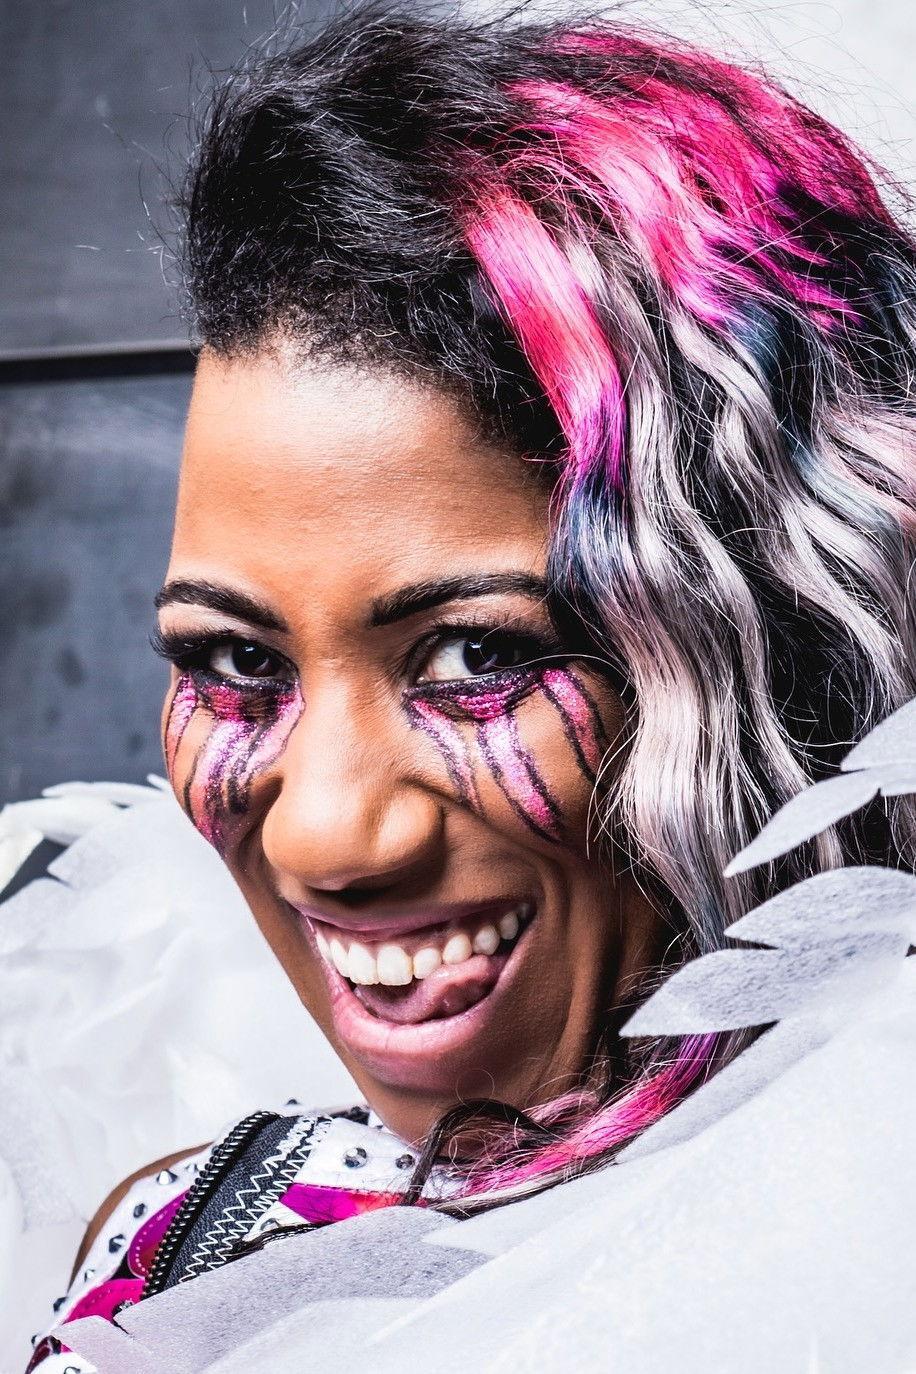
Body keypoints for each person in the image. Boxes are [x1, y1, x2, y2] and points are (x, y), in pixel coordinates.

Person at [23, 4, 916, 1368]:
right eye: (239, 662)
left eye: (478, 656)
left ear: (789, 650)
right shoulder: (184, 1257)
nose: (327, 836)